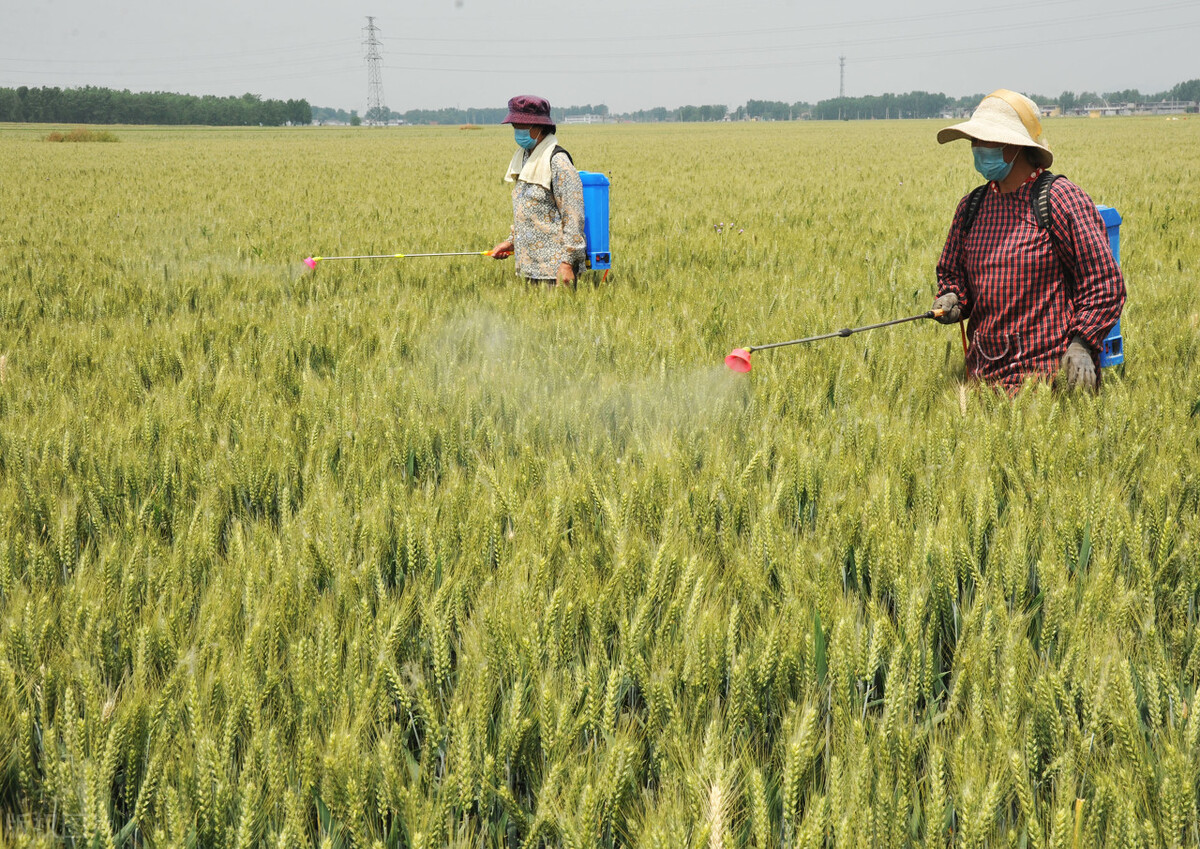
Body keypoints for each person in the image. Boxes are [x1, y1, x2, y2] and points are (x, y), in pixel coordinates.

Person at [931, 89, 1125, 392]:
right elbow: (954, 275)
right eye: (974, 140)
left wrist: (1082, 343)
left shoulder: (1059, 199)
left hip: (1047, 383)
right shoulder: (972, 207)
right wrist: (952, 298)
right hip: (983, 382)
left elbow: (1103, 282)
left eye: (986, 139)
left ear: (1015, 146)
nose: (977, 148)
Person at [489, 95, 587, 287]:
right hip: (530, 268)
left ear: (539, 127)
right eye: (514, 126)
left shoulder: (558, 162)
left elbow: (573, 216)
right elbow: (530, 211)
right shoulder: (524, 158)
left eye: (521, 126)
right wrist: (512, 242)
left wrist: (567, 263)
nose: (517, 131)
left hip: (555, 270)